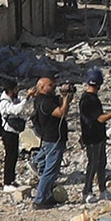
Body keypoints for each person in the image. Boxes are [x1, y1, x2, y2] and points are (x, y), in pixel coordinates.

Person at [78, 67, 111, 202]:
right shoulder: (89, 100)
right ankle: (87, 192)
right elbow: (100, 118)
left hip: (98, 135)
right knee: (93, 164)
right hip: (92, 137)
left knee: (101, 162)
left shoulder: (90, 98)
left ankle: (102, 190)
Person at [31, 76, 73, 208]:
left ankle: (47, 195)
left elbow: (62, 101)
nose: (53, 87)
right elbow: (62, 112)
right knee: (51, 170)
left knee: (48, 169)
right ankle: (40, 199)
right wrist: (65, 98)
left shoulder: (44, 99)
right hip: (53, 138)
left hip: (50, 138)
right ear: (42, 87)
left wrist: (67, 94)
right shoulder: (45, 102)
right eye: (50, 85)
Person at [0, 79, 29, 191]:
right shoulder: (4, 103)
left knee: (14, 156)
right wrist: (27, 98)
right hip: (8, 133)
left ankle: (12, 180)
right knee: (9, 157)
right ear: (10, 91)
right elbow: (16, 110)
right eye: (15, 89)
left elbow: (20, 101)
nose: (17, 91)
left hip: (14, 132)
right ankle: (6, 183)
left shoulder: (12, 99)